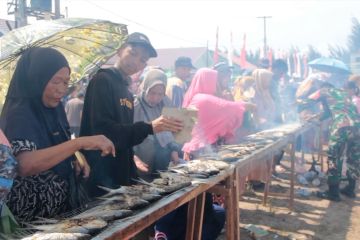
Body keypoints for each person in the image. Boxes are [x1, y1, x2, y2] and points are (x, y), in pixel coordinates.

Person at [0, 47, 115, 222]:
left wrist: (75, 158)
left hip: (61, 212)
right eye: (55, 81)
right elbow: (25, 164)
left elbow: (59, 144)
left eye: (66, 82)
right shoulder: (20, 113)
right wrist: (79, 144)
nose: (61, 89)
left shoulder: (55, 108)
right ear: (37, 79)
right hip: (33, 218)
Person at [80, 32, 183, 198]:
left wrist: (132, 172)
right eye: (133, 53)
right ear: (120, 50)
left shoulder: (127, 91)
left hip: (120, 171)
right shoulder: (102, 81)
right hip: (102, 172)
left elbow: (125, 139)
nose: (136, 62)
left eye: (143, 60)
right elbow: (103, 133)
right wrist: (149, 127)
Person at [298, 80, 360, 201]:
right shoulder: (342, 94)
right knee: (353, 159)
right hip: (357, 128)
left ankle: (333, 193)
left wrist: (293, 105)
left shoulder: (323, 91)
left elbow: (307, 101)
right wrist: (315, 117)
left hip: (341, 128)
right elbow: (328, 112)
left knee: (334, 159)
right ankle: (350, 189)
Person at [182, 68, 254, 159]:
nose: (216, 84)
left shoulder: (197, 97)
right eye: (214, 80)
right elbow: (228, 107)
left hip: (201, 146)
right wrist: (247, 105)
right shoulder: (201, 98)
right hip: (199, 148)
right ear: (207, 81)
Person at [133, 69, 181, 180]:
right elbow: (126, 135)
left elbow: (172, 130)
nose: (156, 98)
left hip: (162, 160)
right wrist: (132, 157)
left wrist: (174, 149)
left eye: (160, 94)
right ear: (145, 88)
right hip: (141, 161)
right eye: (152, 93)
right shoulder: (135, 106)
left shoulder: (165, 103)